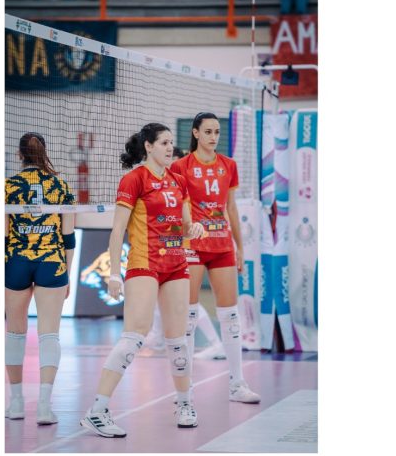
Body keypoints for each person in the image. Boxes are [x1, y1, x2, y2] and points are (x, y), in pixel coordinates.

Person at [79, 123, 204, 438]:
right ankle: (97, 411)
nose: (169, 148)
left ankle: (185, 404)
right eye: (163, 143)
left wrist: (194, 229)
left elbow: (182, 226)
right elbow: (118, 230)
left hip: (176, 264)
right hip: (144, 262)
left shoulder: (178, 181)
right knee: (134, 336)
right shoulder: (134, 179)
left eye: (171, 143)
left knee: (178, 340)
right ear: (148, 146)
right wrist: (113, 274)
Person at [170, 112, 261, 404]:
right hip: (193, 244)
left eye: (217, 132)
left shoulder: (228, 165)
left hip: (222, 244)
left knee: (230, 316)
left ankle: (237, 384)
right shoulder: (181, 166)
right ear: (195, 133)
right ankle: (185, 389)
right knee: (188, 315)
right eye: (207, 131)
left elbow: (231, 208)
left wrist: (240, 247)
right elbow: (176, 206)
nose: (213, 137)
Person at [4, 132, 76, 425]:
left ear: (20, 155)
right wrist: (66, 273)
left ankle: (16, 403)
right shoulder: (61, 186)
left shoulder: (8, 186)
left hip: (16, 261)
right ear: (44, 153)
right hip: (51, 262)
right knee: (49, 334)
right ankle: (44, 406)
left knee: (14, 333)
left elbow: (2, 235)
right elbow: (68, 237)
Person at [144, 147, 227, 361]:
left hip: (186, 245)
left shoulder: (182, 186)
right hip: (170, 245)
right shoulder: (164, 184)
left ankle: (216, 344)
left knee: (187, 300)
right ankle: (157, 336)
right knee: (162, 293)